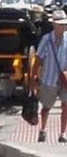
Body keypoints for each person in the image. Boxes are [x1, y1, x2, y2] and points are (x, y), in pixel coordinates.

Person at [34, 10, 67, 142]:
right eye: (60, 24)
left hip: (65, 80)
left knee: (66, 106)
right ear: (54, 25)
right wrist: (34, 78)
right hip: (49, 79)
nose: (63, 26)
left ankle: (63, 133)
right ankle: (43, 130)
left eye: (64, 24)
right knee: (46, 107)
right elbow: (38, 59)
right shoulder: (46, 39)